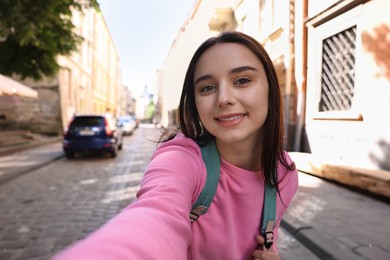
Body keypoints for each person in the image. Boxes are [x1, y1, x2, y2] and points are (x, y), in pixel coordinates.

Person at [54, 31, 298, 260]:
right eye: (207, 87)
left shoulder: (284, 174)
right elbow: (155, 215)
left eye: (242, 80)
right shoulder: (182, 158)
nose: (224, 99)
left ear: (270, 89)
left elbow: (266, 239)